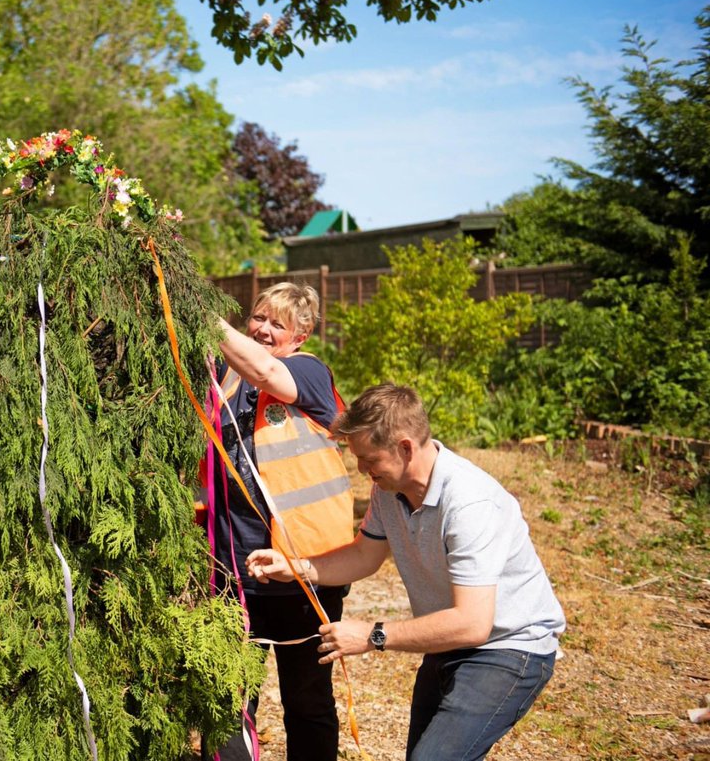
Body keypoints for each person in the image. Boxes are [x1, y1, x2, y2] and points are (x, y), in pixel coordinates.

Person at [246, 384, 566, 761]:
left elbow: (473, 623)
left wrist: (372, 635)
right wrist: (296, 569)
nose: (363, 471)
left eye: (369, 459)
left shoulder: (470, 503)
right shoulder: (389, 491)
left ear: (405, 447)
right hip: (449, 644)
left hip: (509, 648)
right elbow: (364, 555)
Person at [202, 282, 355, 761]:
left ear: (301, 337)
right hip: (233, 568)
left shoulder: (307, 373)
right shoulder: (226, 375)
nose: (264, 330)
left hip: (304, 572)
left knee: (306, 701)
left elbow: (269, 371)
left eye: (278, 324)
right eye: (258, 317)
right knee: (228, 702)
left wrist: (197, 307)